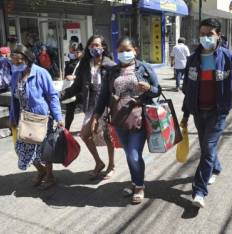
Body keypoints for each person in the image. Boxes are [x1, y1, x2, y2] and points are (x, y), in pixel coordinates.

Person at [181, 18, 232, 208]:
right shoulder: (193, 59)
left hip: (217, 113)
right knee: (206, 148)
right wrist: (186, 115)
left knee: (208, 149)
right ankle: (216, 168)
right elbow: (188, 89)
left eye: (209, 34)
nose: (205, 37)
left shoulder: (229, 58)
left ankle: (199, 191)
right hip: (197, 112)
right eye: (202, 34)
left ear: (218, 35)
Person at [91, 36, 161, 204]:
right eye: (121, 51)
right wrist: (96, 115)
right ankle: (135, 181)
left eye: (128, 50)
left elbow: (157, 90)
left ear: (135, 50)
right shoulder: (111, 71)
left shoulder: (145, 68)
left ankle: (139, 186)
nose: (124, 53)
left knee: (134, 155)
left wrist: (149, 88)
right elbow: (103, 96)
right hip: (119, 118)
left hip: (139, 117)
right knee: (129, 155)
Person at [60, 35, 116, 180]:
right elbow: (76, 87)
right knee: (85, 135)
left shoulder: (110, 65)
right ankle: (99, 163)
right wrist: (58, 96)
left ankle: (111, 165)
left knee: (108, 136)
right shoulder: (85, 65)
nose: (94, 48)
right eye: (91, 45)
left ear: (103, 47)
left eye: (97, 45)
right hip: (90, 107)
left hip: (106, 107)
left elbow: (116, 88)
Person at [9, 44, 64, 189]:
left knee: (43, 150)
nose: (16, 64)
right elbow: (13, 99)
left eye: (19, 61)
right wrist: (12, 118)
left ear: (27, 59)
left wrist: (58, 117)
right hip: (24, 119)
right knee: (21, 148)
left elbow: (52, 96)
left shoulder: (41, 73)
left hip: (41, 119)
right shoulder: (15, 75)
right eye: (14, 61)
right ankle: (42, 171)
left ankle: (50, 176)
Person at [64, 43, 83, 130]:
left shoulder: (86, 63)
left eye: (78, 52)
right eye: (75, 52)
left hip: (83, 90)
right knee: (69, 110)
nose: (76, 54)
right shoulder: (71, 61)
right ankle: (66, 130)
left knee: (88, 110)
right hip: (72, 89)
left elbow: (87, 75)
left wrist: (74, 77)